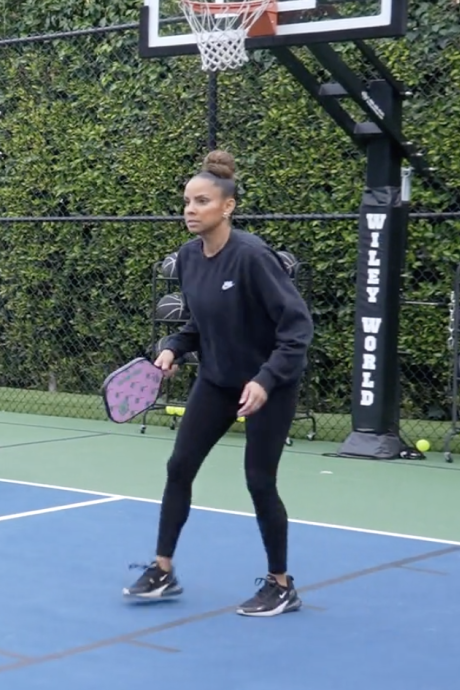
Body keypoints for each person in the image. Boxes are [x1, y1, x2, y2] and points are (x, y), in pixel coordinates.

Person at [123, 150, 314, 617]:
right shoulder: (188, 258)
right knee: (179, 467)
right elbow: (197, 325)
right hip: (217, 381)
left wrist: (267, 381)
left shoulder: (252, 257)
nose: (190, 210)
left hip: (268, 383)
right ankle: (163, 569)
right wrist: (172, 346)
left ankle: (281, 584)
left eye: (202, 201)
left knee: (259, 481)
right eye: (187, 201)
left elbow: (297, 329)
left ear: (227, 207)